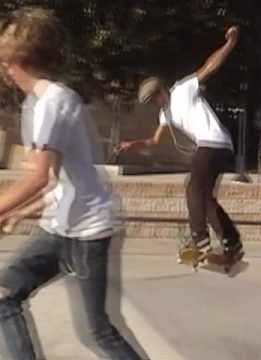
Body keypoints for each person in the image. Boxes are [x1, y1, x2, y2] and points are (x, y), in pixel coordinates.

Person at [0, 7, 142, 359]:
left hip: (86, 232)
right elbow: (51, 178)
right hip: (59, 229)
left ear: (17, 57)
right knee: (3, 296)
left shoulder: (52, 102)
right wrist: (19, 211)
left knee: (98, 332)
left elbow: (35, 177)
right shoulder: (38, 102)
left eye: (5, 57)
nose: (3, 66)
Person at [118, 26, 243, 264]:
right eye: (152, 102)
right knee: (205, 198)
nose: (157, 103)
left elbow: (209, 67)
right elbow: (155, 141)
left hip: (213, 143)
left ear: (163, 90)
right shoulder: (165, 114)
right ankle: (232, 244)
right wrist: (132, 145)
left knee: (192, 188)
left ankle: (200, 242)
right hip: (214, 147)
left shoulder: (183, 90)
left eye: (157, 97)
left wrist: (230, 43)